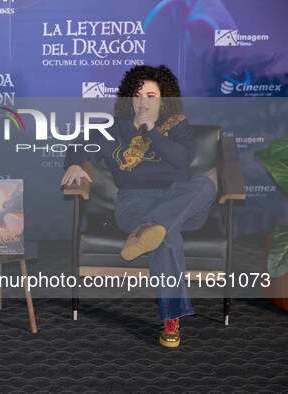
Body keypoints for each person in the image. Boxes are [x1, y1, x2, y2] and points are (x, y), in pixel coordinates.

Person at [61, 65, 216, 348]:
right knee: (165, 237)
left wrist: (152, 130)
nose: (143, 101)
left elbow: (181, 161)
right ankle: (171, 318)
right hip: (135, 202)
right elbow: (81, 143)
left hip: (181, 202)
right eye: (137, 95)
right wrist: (73, 161)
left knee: (205, 186)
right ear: (127, 99)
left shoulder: (177, 125)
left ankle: (152, 226)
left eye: (151, 95)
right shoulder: (113, 129)